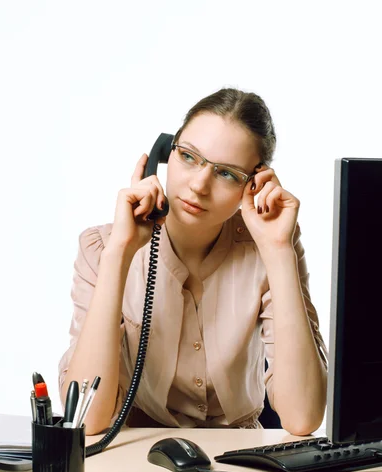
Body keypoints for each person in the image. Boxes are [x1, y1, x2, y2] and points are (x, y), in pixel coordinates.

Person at [58, 87, 328, 436]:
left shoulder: (271, 246)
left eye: (227, 173)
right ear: (165, 154)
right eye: (188, 157)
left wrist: (278, 252)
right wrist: (120, 255)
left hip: (237, 458)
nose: (199, 185)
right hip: (138, 454)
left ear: (255, 184)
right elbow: (87, 420)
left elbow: (303, 418)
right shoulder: (104, 247)